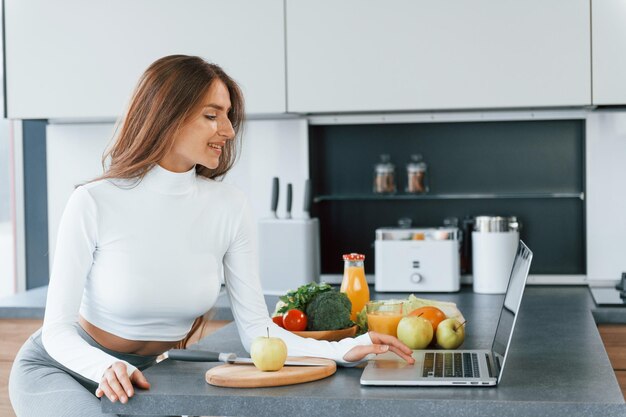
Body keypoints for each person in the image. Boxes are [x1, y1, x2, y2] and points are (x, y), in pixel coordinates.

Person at [8, 55, 414, 417]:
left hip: (148, 375)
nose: (228, 130)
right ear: (167, 114)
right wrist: (102, 366)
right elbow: (58, 330)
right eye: (211, 115)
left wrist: (344, 348)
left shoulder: (229, 206)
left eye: (228, 116)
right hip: (61, 368)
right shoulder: (93, 201)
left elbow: (258, 330)